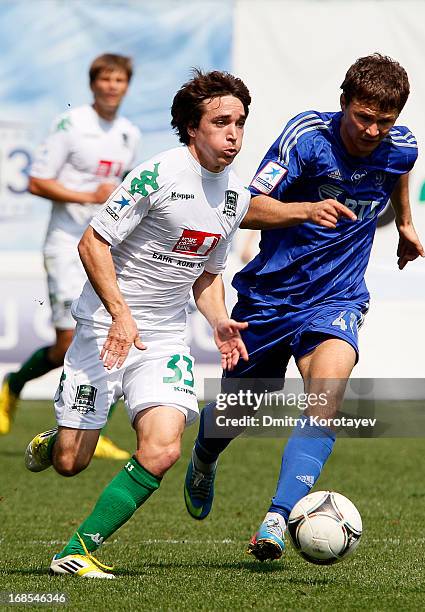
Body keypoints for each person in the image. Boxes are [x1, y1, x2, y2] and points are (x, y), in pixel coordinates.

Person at [184, 54, 425, 561]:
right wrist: (306, 209)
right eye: (363, 116)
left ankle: (277, 517)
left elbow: (400, 168)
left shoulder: (399, 146)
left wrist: (405, 223)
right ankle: (204, 457)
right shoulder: (307, 136)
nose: (372, 130)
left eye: (385, 121)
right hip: (271, 299)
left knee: (326, 401)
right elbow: (245, 208)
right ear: (343, 103)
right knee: (240, 410)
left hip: (337, 298)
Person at [24, 69, 252, 578]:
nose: (233, 133)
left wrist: (218, 319)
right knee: (69, 462)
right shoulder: (158, 175)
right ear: (192, 128)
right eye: (221, 122)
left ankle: (77, 550)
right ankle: (59, 434)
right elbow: (92, 243)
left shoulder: (235, 197)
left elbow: (208, 275)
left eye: (239, 122)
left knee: (165, 448)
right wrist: (121, 316)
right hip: (103, 329)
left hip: (166, 336)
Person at [0, 53, 141, 459]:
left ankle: (87, 429)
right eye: (106, 79)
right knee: (66, 344)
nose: (112, 86)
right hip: (65, 244)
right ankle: (14, 384)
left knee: (110, 337)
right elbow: (37, 181)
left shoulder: (128, 133)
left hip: (104, 246)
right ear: (93, 83)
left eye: (120, 80)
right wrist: (85, 195)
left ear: (126, 86)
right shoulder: (71, 124)